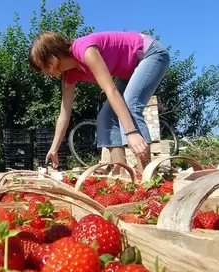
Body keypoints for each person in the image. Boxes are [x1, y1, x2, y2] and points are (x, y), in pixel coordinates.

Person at [28, 31, 170, 172]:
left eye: (43, 67)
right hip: (130, 71)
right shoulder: (68, 75)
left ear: (52, 58)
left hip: (150, 53)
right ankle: (121, 174)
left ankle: (146, 177)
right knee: (106, 117)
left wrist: (131, 132)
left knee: (130, 106)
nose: (45, 73)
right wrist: (54, 149)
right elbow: (64, 113)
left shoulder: (85, 50)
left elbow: (111, 90)